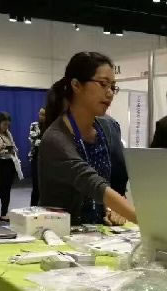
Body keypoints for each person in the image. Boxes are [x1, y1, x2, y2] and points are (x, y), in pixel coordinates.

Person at [39, 51, 135, 226]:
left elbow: (115, 184)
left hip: (101, 233)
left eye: (113, 87)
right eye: (103, 84)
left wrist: (113, 209)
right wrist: (146, 220)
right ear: (76, 85)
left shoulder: (109, 128)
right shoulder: (56, 138)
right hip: (61, 233)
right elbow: (92, 183)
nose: (110, 93)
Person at [29, 107, 46, 206]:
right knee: (36, 186)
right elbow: (34, 141)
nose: (41, 116)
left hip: (48, 160)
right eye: (40, 114)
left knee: (46, 187)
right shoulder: (34, 125)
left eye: (44, 114)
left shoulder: (51, 126)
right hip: (35, 158)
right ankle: (33, 208)